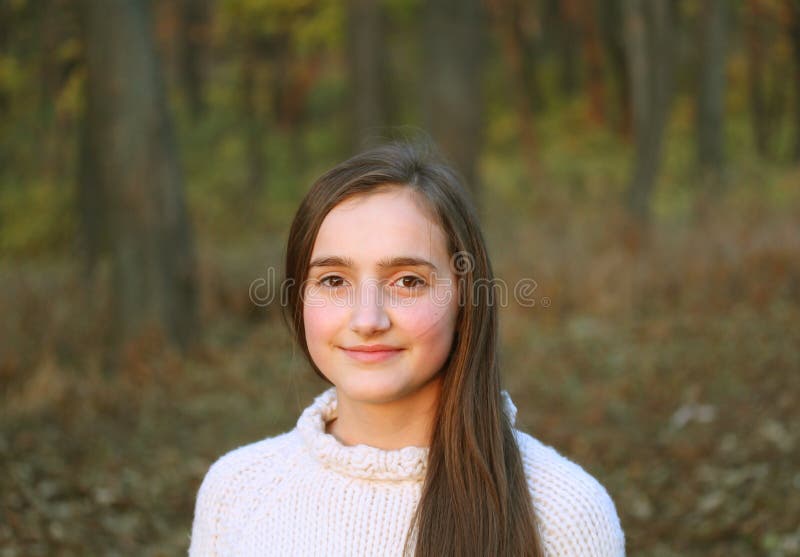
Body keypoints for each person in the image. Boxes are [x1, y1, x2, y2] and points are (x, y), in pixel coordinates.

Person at [188, 141, 625, 556]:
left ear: (464, 299)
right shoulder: (236, 490)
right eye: (334, 281)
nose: (367, 320)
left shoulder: (563, 512)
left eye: (408, 281)